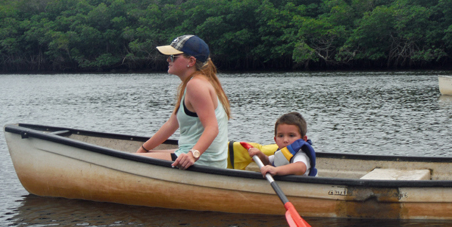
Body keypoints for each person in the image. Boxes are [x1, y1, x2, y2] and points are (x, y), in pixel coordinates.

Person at [136, 35, 231, 169]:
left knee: (133, 161)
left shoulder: (196, 85)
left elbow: (212, 128)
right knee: (138, 156)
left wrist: (193, 155)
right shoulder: (197, 82)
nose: (168, 59)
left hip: (203, 161)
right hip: (200, 156)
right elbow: (171, 124)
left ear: (191, 61)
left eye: (173, 56)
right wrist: (143, 149)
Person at [247, 112, 317, 177]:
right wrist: (260, 155)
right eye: (281, 136)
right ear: (275, 140)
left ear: (303, 139)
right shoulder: (282, 154)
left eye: (291, 135)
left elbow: (301, 168)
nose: (285, 140)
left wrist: (276, 170)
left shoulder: (300, 154)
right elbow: (268, 162)